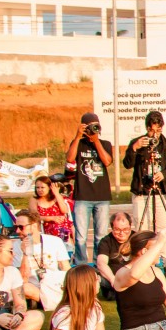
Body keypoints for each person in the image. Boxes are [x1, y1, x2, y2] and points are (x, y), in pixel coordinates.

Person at [123, 110, 166, 271]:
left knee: (164, 228)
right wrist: (135, 148)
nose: (155, 134)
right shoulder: (138, 143)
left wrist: (164, 174)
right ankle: (144, 261)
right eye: (152, 130)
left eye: (158, 130)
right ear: (147, 128)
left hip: (161, 191)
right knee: (143, 228)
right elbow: (127, 164)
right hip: (142, 191)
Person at [65, 112, 114, 265]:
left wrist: (96, 141)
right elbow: (70, 159)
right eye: (89, 126)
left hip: (102, 196)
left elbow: (107, 161)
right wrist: (78, 136)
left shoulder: (105, 143)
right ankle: (81, 264)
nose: (93, 129)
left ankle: (99, 263)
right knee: (80, 236)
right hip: (82, 196)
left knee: (101, 235)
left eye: (95, 126)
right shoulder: (78, 143)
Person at [12, 209, 70, 311]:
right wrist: (25, 254)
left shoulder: (54, 241)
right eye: (15, 227)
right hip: (35, 287)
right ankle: (56, 303)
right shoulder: (16, 246)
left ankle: (50, 302)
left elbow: (65, 268)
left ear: (34, 226)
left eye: (21, 227)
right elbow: (22, 279)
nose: (17, 231)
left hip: (54, 284)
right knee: (23, 288)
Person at [95, 211, 134, 297]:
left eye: (125, 229)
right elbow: (101, 263)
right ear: (112, 228)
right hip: (112, 280)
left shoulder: (136, 238)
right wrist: (113, 280)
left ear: (130, 226)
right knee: (95, 276)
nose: (121, 233)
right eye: (117, 229)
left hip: (133, 278)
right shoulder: (105, 241)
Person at [30, 175, 74, 245]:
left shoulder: (56, 198)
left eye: (42, 187)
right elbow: (34, 216)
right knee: (59, 228)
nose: (39, 190)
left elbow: (64, 210)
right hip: (46, 226)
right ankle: (64, 244)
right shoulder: (34, 200)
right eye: (37, 187)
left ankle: (70, 246)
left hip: (62, 224)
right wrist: (52, 218)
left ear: (49, 187)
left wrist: (57, 193)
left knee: (69, 227)